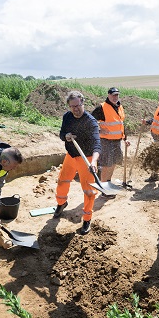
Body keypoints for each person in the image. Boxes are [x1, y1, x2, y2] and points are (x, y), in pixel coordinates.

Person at [54, 90, 101, 235]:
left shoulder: (90, 122)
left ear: (83, 103)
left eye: (78, 105)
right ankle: (61, 203)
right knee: (62, 182)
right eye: (72, 106)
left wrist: (93, 161)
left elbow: (97, 144)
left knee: (89, 191)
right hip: (71, 155)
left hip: (86, 158)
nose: (76, 109)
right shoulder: (67, 117)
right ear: (69, 106)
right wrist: (66, 136)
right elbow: (62, 133)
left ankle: (87, 218)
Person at [91, 87, 127, 190]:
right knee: (106, 165)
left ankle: (108, 183)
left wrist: (125, 138)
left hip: (117, 141)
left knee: (114, 163)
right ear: (108, 95)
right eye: (113, 95)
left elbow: (121, 124)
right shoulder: (102, 108)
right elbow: (89, 121)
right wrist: (99, 131)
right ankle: (104, 188)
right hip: (106, 141)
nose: (115, 97)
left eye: (117, 95)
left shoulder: (119, 107)